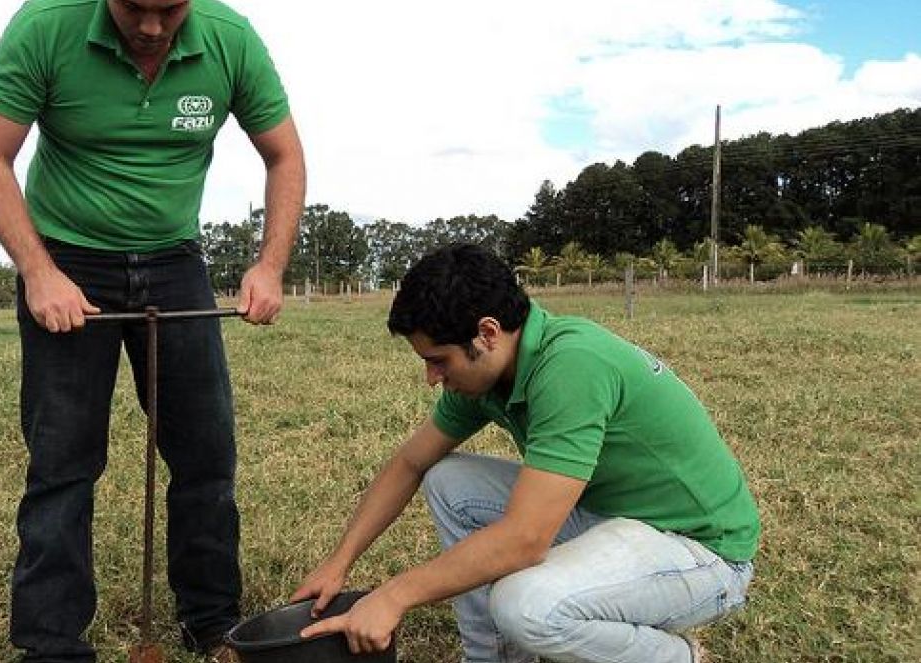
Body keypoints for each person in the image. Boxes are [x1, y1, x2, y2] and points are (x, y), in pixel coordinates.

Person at [0, 0, 305, 660]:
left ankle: (211, 621)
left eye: (169, 9)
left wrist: (269, 265)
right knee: (63, 459)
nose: (151, 27)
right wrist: (38, 271)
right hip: (68, 254)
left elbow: (284, 155)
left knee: (207, 451)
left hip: (175, 258)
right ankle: (51, 642)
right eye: (134, 8)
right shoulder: (44, 26)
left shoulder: (231, 39)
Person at [295, 245, 759, 663]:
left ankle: (675, 658)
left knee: (525, 605)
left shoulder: (571, 364)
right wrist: (339, 562)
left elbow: (525, 540)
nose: (432, 378)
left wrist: (392, 596)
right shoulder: (489, 372)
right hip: (611, 515)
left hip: (700, 550)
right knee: (447, 480)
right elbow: (410, 462)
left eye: (438, 360)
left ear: (487, 333)